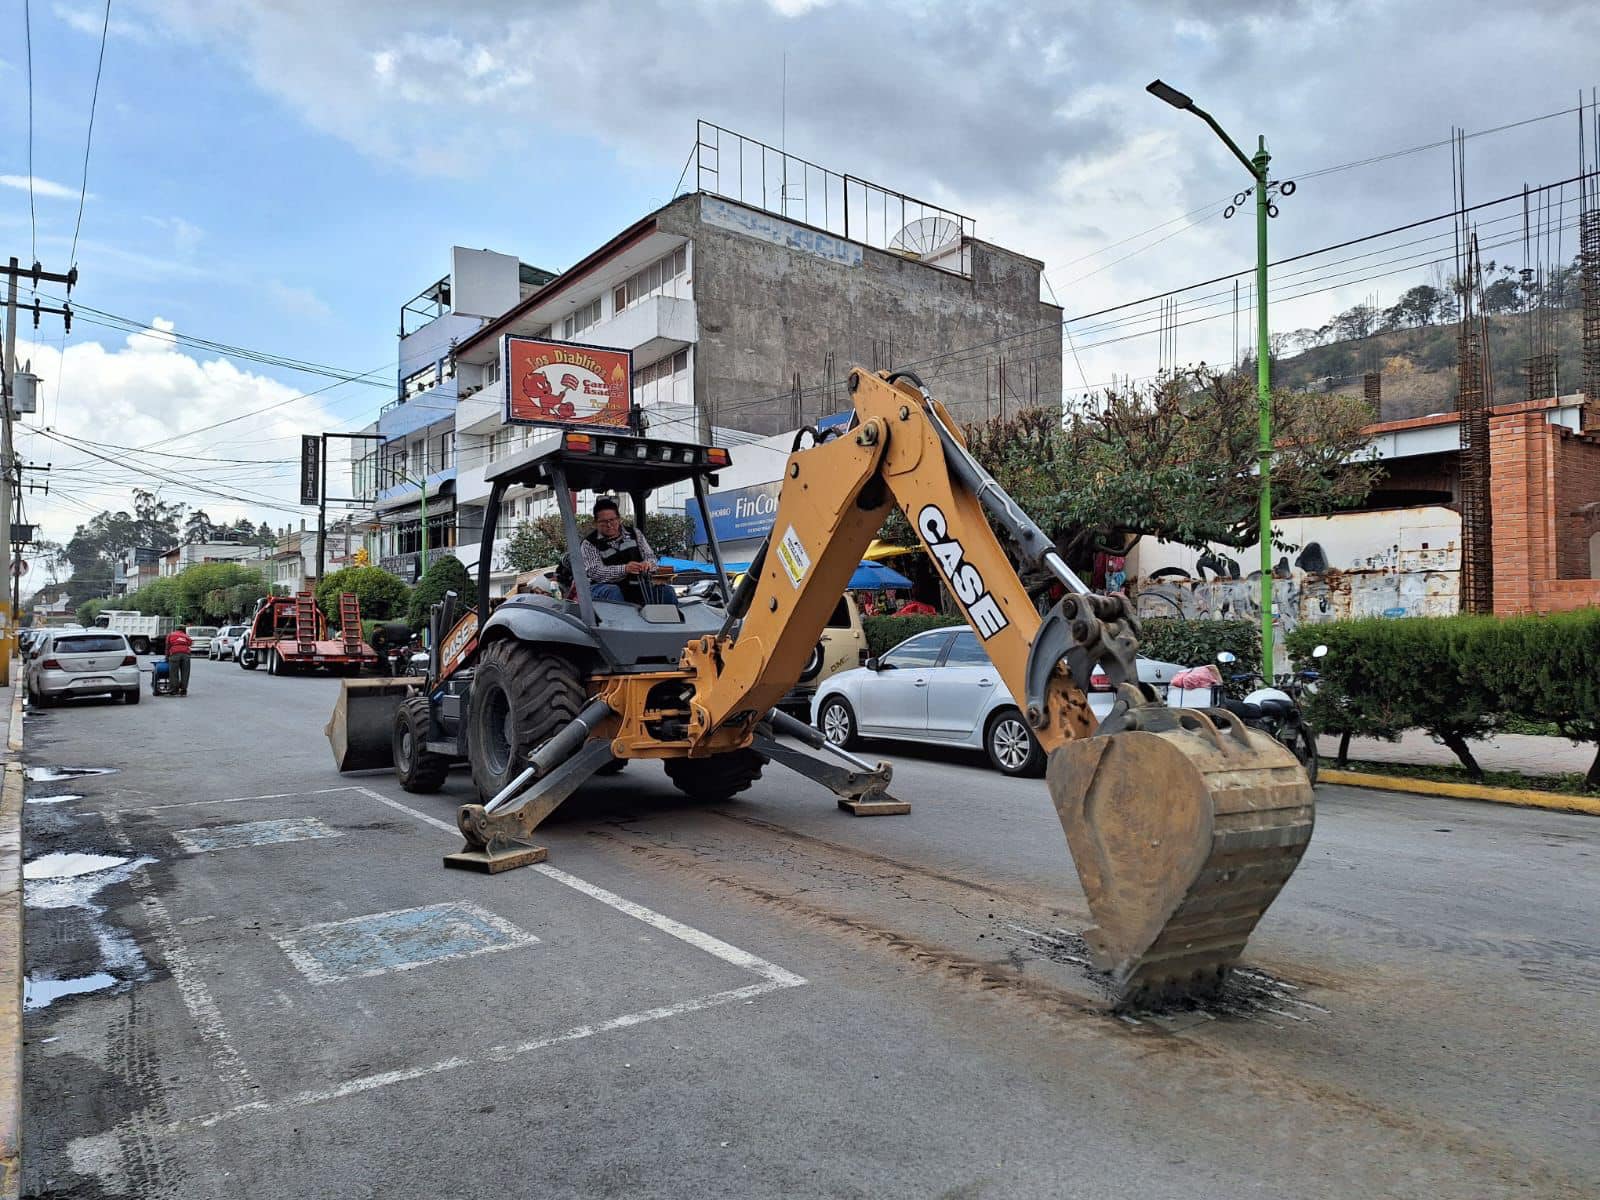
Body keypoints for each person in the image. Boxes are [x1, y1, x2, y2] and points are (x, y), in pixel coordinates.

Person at [581, 496, 678, 606]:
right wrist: (625, 569)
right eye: (603, 522)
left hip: (635, 585)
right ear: (595, 523)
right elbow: (596, 572)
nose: (609, 525)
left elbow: (651, 557)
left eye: (612, 520)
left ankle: (672, 621)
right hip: (603, 587)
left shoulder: (635, 534)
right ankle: (619, 623)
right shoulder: (589, 543)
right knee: (613, 591)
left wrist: (648, 565)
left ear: (618, 519)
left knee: (666, 591)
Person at [164, 626, 194, 696]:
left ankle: (174, 689)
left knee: (173, 672)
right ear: (184, 630)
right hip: (186, 655)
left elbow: (167, 646)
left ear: (176, 629)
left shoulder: (171, 635)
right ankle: (183, 690)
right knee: (185, 672)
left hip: (174, 654)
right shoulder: (186, 636)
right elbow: (190, 643)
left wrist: (166, 656)